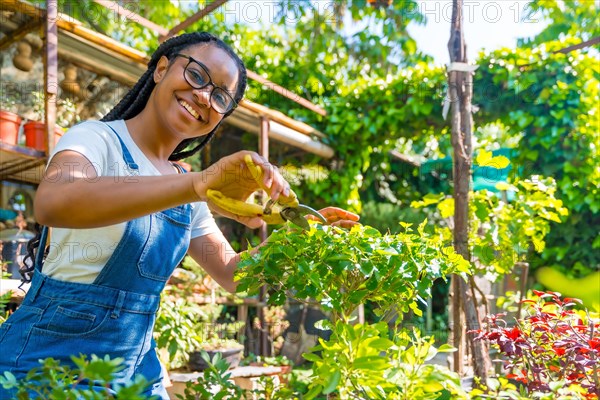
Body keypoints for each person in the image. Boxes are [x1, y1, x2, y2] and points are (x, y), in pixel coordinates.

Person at [0, 32, 359, 399]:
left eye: (220, 96)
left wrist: (299, 236)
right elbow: (54, 202)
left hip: (134, 373)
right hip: (47, 366)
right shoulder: (96, 139)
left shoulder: (187, 185)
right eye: (197, 75)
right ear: (160, 69)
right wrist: (199, 185)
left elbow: (233, 275)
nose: (204, 96)